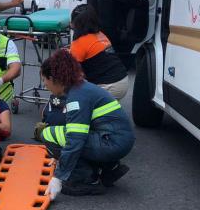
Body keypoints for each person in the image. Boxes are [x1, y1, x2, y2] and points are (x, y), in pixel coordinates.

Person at [36, 50, 135, 198]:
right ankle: (109, 167)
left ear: (52, 78)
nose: (45, 85)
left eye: (44, 80)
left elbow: (75, 139)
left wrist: (58, 177)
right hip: (118, 139)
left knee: (49, 134)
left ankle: (87, 180)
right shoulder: (82, 87)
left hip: (113, 142)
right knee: (67, 134)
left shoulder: (76, 98)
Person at [69, 4, 129, 99]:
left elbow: (75, 72)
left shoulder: (79, 42)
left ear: (75, 24)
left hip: (109, 85)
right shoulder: (100, 34)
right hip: (122, 79)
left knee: (79, 97)